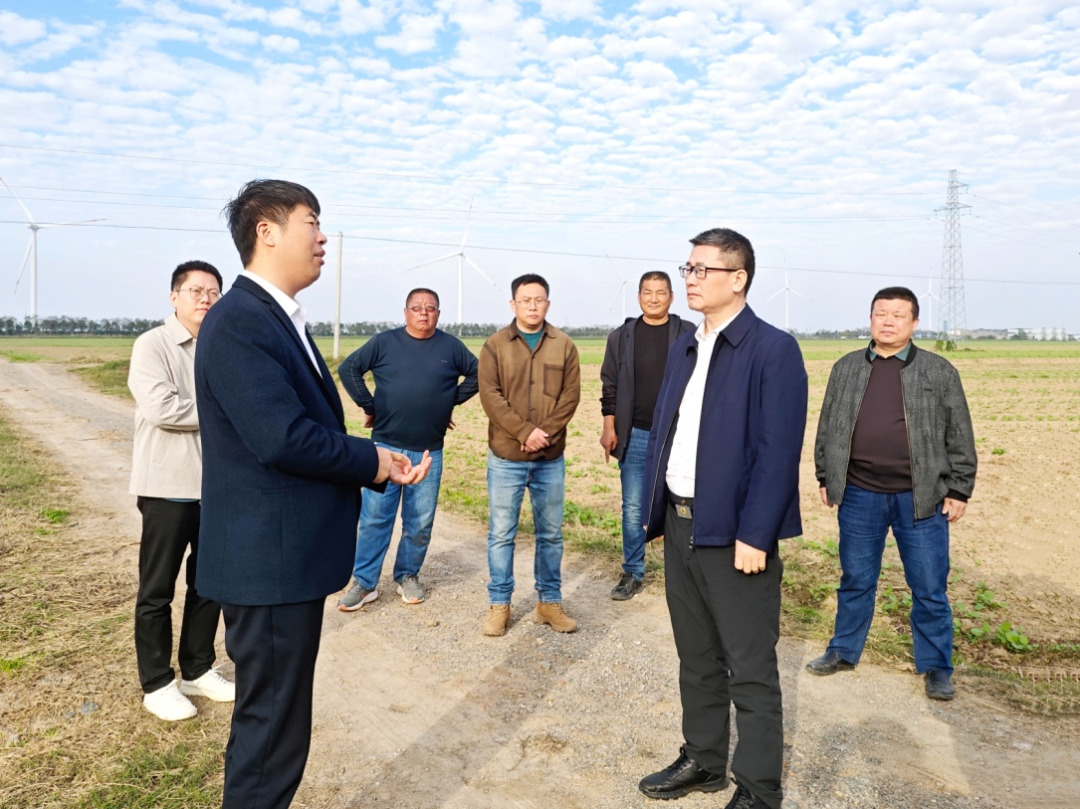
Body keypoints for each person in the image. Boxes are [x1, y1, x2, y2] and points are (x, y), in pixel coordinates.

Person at [194, 179, 431, 809]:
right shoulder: (241, 321)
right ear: (266, 231)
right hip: (267, 565)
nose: (324, 238)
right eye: (312, 222)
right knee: (271, 732)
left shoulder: (274, 317)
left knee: (273, 724)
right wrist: (373, 459)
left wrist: (371, 460)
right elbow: (282, 437)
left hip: (280, 562)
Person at [638, 229, 807, 809]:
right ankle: (704, 760)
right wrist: (657, 515)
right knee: (696, 657)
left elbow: (777, 453)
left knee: (749, 667)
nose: (688, 279)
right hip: (681, 523)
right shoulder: (687, 344)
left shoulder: (772, 349)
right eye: (687, 267)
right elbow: (668, 433)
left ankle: (759, 788)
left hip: (735, 535)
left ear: (738, 278)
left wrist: (756, 534)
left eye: (701, 269)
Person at [808, 286, 976, 701]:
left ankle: (937, 666)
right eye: (881, 313)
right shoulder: (847, 367)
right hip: (859, 494)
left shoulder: (938, 371)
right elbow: (828, 425)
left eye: (898, 315)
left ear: (914, 323)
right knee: (855, 578)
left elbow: (959, 433)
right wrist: (825, 475)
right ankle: (843, 650)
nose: (888, 321)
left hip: (921, 499)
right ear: (870, 319)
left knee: (929, 587)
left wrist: (959, 489)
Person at [128, 260, 234, 721]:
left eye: (213, 292)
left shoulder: (221, 347)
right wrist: (226, 409)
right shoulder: (153, 344)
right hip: (168, 486)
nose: (205, 299)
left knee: (208, 585)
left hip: (216, 487)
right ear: (174, 297)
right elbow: (162, 408)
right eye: (196, 291)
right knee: (157, 590)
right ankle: (156, 683)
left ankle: (198, 668)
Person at [337, 288, 479, 609]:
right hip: (384, 450)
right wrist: (369, 405)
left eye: (430, 308)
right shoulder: (384, 342)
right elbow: (349, 369)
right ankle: (364, 583)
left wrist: (447, 402)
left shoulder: (451, 347)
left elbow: (478, 373)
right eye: (417, 307)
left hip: (428, 452)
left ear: (438, 314)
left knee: (419, 522)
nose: (423, 312)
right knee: (375, 519)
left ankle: (407, 575)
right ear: (405, 312)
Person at [477, 273, 581, 637]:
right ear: (513, 304)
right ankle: (499, 604)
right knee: (501, 534)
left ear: (547, 304)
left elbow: (570, 396)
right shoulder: (495, 345)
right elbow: (490, 396)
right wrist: (524, 432)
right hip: (506, 458)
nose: (533, 306)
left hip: (549, 460)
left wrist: (543, 434)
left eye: (539, 300)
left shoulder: (564, 345)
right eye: (526, 300)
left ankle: (548, 603)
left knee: (550, 534)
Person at [600, 271, 694, 600]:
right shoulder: (621, 337)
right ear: (638, 296)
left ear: (672, 297)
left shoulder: (689, 333)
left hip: (678, 435)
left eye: (660, 292)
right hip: (636, 434)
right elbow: (609, 386)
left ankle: (685, 574)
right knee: (633, 507)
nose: (654, 298)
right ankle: (633, 571)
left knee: (682, 504)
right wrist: (609, 427)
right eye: (647, 292)